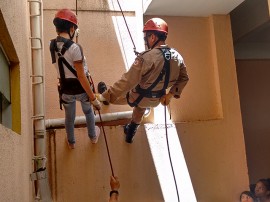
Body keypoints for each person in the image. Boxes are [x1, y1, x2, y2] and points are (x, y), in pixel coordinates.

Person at [97, 17, 189, 143]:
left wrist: (106, 95)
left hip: (138, 97)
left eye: (146, 37)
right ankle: (131, 132)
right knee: (140, 108)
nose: (146, 40)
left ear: (152, 37)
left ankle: (106, 97)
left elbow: (127, 81)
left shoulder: (146, 57)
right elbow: (184, 78)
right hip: (157, 100)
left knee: (121, 96)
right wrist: (171, 94)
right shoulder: (177, 56)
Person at [50, 9, 101, 149]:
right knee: (89, 111)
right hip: (81, 88)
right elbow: (81, 75)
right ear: (72, 28)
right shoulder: (75, 48)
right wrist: (93, 98)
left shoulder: (52, 45)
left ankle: (71, 142)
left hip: (65, 88)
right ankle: (93, 137)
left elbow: (58, 65)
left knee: (69, 116)